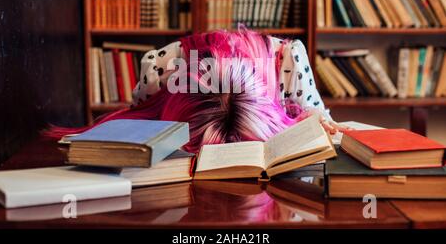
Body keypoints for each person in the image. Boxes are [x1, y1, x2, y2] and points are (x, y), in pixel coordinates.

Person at [47, 28, 348, 153]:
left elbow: (319, 119)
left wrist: (317, 122)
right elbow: (139, 119)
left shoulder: (289, 59)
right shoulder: (161, 68)